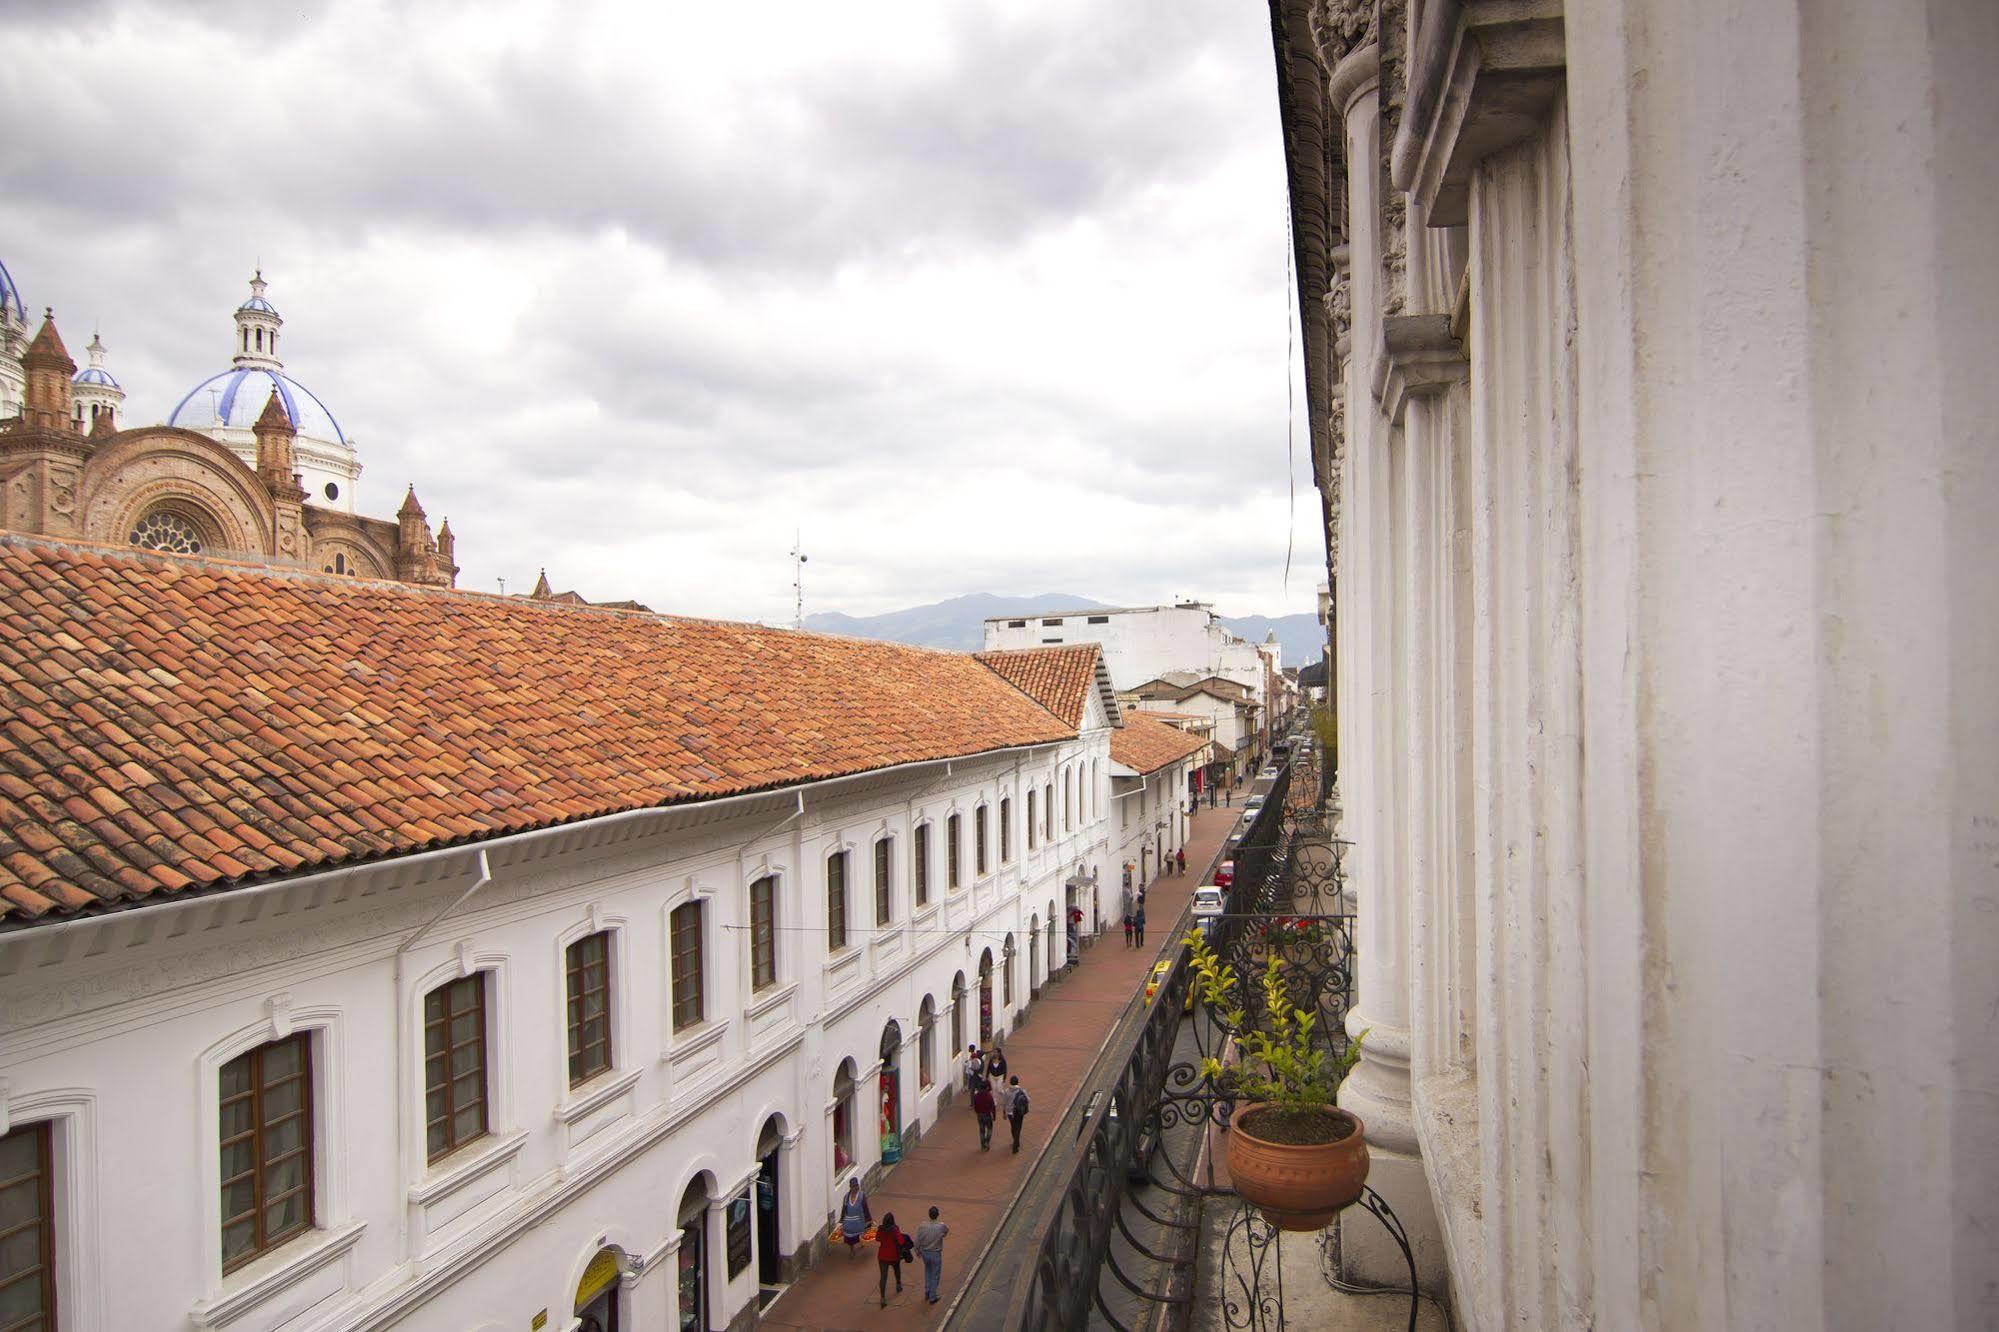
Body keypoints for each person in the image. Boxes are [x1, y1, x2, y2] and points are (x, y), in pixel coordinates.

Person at [915, 1205, 951, 1304]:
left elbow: (917, 1240)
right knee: (935, 1275)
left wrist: (917, 1251)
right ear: (937, 1215)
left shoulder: (922, 1225)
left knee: (928, 1271)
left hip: (925, 1253)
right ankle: (932, 1296)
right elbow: (946, 1232)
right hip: (935, 1253)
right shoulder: (941, 1226)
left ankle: (927, 1290)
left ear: (929, 1215)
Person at [876, 1211, 905, 1305]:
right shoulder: (895, 1229)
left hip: (882, 1255)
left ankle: (882, 1297)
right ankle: (898, 1284)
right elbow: (901, 1241)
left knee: (883, 1277)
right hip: (893, 1255)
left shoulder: (880, 1229)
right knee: (897, 1270)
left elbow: (877, 1238)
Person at [839, 1178, 871, 1259]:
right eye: (853, 1186)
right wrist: (842, 1220)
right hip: (849, 1222)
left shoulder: (861, 1196)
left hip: (859, 1220)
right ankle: (852, 1249)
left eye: (857, 1186)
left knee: (859, 1234)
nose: (856, 1188)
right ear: (850, 1187)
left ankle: (861, 1241)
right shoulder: (846, 1197)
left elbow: (865, 1207)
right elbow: (844, 1209)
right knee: (850, 1238)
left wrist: (868, 1219)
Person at [1006, 1075, 1031, 1153]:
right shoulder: (1022, 1090)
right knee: (1018, 1127)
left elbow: (1004, 1103)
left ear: (1010, 1082)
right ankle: (1016, 1144)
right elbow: (1028, 1099)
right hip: (1019, 1112)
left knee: (1013, 1127)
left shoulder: (1007, 1091)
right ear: (1017, 1082)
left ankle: (1015, 1141)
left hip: (1010, 1113)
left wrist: (1004, 1112)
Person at [971, 1080, 997, 1150]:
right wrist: (994, 1116)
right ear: (986, 1088)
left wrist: (977, 1112)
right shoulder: (989, 1096)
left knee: (982, 1130)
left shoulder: (976, 1095)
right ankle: (987, 1142)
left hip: (980, 1115)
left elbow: (975, 1105)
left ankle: (982, 1144)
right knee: (989, 1129)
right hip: (987, 1115)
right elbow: (993, 1107)